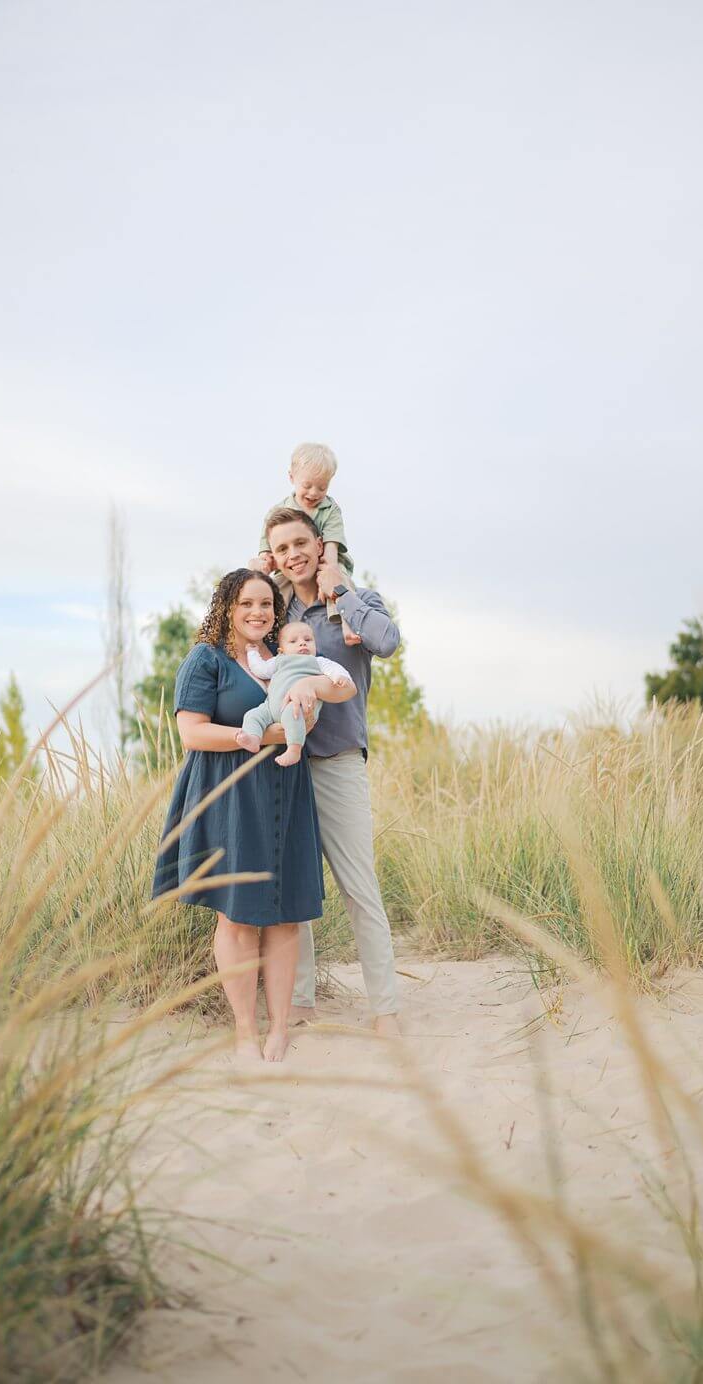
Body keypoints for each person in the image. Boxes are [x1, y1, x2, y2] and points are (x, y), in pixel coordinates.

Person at [151, 569, 356, 1062]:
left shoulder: (289, 658)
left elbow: (332, 692)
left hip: (287, 790)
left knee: (286, 915)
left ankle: (279, 1029)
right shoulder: (206, 659)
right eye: (247, 603)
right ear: (226, 606)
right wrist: (270, 736)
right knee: (237, 915)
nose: (258, 612)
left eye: (266, 604)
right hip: (229, 794)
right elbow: (193, 735)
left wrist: (312, 694)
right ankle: (245, 1029)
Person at [264, 506, 402, 1035]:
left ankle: (385, 1009)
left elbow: (388, 643)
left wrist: (340, 591)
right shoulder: (273, 613)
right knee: (294, 888)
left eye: (301, 543)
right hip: (281, 763)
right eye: (282, 548)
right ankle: (300, 1002)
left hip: (338, 761)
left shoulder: (354, 600)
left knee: (358, 886)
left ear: (321, 544)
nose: (293, 555)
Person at [253, 442, 362, 646]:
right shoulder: (279, 511)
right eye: (307, 486)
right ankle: (269, 635)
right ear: (292, 478)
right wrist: (263, 560)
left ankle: (348, 624)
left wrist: (327, 579)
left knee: (342, 584)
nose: (314, 493)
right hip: (291, 569)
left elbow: (331, 548)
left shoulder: (330, 510)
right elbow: (266, 547)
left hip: (327, 562)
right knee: (274, 590)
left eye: (322, 487)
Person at [236, 621, 355, 767]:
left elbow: (334, 669)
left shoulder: (318, 661)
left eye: (308, 640)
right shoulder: (279, 661)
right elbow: (259, 669)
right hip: (270, 707)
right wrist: (252, 653)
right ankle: (253, 738)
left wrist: (339, 677)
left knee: (293, 715)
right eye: (293, 641)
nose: (302, 643)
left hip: (297, 706)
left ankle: (294, 749)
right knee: (253, 715)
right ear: (281, 650)